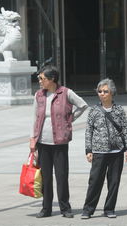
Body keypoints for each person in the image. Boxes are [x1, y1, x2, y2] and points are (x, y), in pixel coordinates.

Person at [30, 65, 88, 218]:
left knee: (61, 176)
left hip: (60, 142)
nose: (39, 81)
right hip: (43, 142)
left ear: (52, 79)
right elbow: (35, 118)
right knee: (46, 178)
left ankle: (65, 208)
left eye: (42, 78)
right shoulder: (38, 95)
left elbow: (82, 105)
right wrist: (32, 139)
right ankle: (46, 208)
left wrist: (69, 120)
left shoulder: (66, 93)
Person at [81, 78, 127, 219]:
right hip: (99, 151)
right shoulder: (94, 111)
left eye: (105, 91)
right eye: (100, 91)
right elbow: (88, 131)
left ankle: (109, 208)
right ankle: (88, 209)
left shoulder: (119, 110)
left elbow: (125, 129)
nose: (102, 94)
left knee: (114, 182)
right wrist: (88, 150)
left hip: (117, 152)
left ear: (112, 93)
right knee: (95, 181)